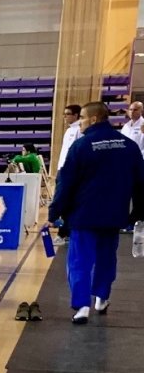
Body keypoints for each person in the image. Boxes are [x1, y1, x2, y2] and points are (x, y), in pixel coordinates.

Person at [47, 101, 144, 324]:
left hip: (84, 214)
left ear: (92, 119)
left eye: (81, 117)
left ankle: (81, 306)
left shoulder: (81, 146)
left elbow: (66, 183)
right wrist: (138, 211)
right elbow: (141, 182)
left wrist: (55, 212)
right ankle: (101, 297)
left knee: (80, 260)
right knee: (106, 257)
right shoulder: (129, 146)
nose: (79, 121)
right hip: (114, 214)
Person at [56, 104, 82, 172]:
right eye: (64, 114)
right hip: (62, 166)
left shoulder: (80, 130)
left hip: (71, 168)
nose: (64, 116)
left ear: (75, 115)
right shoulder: (69, 130)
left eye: (67, 114)